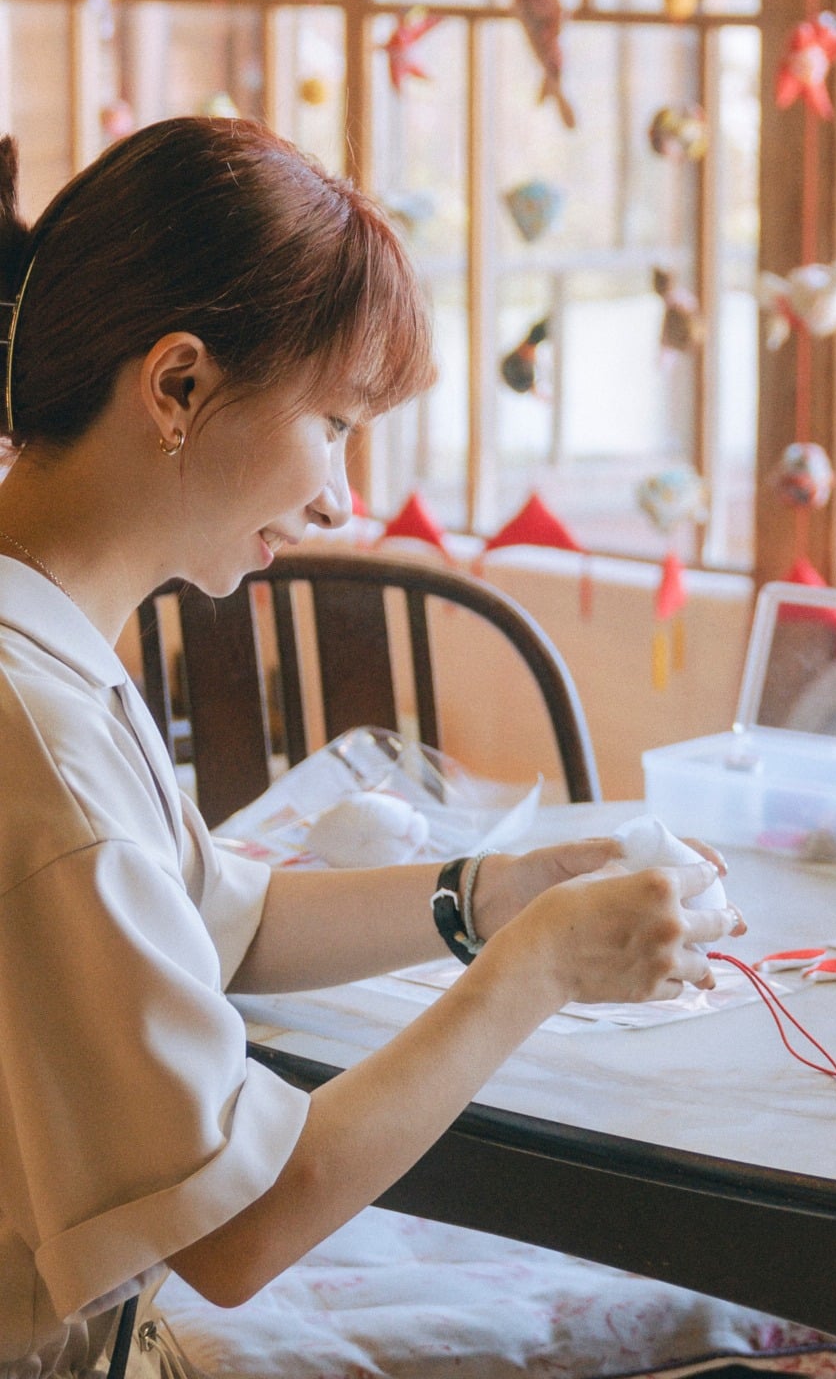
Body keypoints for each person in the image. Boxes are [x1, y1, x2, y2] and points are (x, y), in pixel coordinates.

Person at [0, 118, 747, 1379]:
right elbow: (236, 1231)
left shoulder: (50, 642)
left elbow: (211, 915)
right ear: (177, 386)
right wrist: (534, 971)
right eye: (335, 425)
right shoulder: (42, 740)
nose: (341, 499)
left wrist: (492, 895)